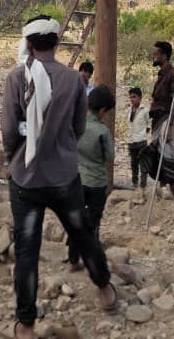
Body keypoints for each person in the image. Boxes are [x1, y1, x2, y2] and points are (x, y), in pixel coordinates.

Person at [1, 16, 117, 337]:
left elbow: (10, 129)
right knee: (82, 234)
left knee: (27, 251)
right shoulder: (72, 80)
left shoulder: (16, 78)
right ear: (55, 42)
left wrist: (14, 157)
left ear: (28, 43)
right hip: (65, 178)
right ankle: (105, 289)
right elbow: (79, 127)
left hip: (25, 180)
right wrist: (61, 144)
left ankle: (25, 323)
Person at [67, 85, 115, 270]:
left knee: (76, 218)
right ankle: (92, 260)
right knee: (93, 221)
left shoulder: (77, 124)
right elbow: (110, 156)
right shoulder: (102, 131)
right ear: (102, 110)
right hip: (97, 183)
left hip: (78, 179)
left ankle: (73, 259)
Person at [142, 41, 174, 197]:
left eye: (156, 53)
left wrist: (170, 123)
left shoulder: (173, 73)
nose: (153, 56)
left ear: (164, 55)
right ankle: (163, 186)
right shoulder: (162, 73)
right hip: (157, 118)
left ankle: (172, 189)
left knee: (167, 153)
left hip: (165, 118)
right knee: (157, 153)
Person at [125, 87, 148, 191]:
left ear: (140, 97)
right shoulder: (129, 110)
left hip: (141, 141)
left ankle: (143, 185)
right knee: (133, 164)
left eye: (134, 97)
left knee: (143, 164)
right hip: (131, 141)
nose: (132, 99)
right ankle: (135, 184)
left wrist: (143, 134)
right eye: (130, 97)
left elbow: (149, 123)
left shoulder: (145, 110)